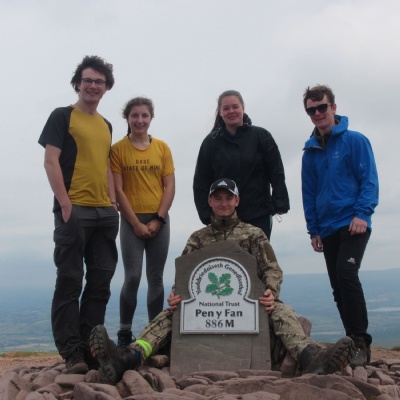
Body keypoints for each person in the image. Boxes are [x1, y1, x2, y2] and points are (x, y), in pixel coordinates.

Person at [87, 179, 356, 385]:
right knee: (171, 314)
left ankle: (312, 357)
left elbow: (272, 269)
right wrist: (176, 294)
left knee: (282, 312)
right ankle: (128, 357)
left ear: (237, 201)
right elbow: (184, 275)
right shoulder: (198, 238)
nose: (223, 203)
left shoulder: (254, 234)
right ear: (210, 201)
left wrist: (271, 292)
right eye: (218, 198)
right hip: (205, 307)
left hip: (248, 305)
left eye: (228, 198)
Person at [38, 56, 119, 374]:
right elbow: (51, 160)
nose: (93, 86)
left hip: (104, 213)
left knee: (100, 283)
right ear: (77, 83)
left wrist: (112, 201)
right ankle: (72, 353)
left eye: (100, 81)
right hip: (74, 210)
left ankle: (91, 349)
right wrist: (64, 203)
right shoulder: (62, 116)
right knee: (70, 281)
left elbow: (106, 165)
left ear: (106, 87)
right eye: (88, 80)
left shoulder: (106, 125)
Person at [301, 85, 379, 367]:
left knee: (346, 274)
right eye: (312, 110)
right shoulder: (309, 152)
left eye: (322, 107)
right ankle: (350, 342)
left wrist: (362, 214)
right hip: (327, 227)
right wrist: (314, 229)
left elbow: (369, 180)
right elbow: (309, 193)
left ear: (333, 107)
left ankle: (360, 342)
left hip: (354, 223)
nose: (317, 113)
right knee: (337, 284)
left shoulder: (355, 141)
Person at [110, 97, 175, 347]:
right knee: (133, 276)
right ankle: (124, 333)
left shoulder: (162, 148)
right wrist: (135, 223)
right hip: (131, 219)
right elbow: (118, 189)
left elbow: (169, 186)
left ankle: (153, 334)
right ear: (127, 119)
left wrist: (158, 218)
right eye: (134, 115)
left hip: (159, 219)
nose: (139, 120)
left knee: (156, 277)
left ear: (151, 118)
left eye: (144, 115)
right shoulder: (118, 149)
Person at [193, 90, 290, 239]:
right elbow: (201, 181)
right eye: (226, 108)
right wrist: (206, 215)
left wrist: (280, 202)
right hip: (223, 217)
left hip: (258, 214)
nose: (231, 111)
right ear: (220, 112)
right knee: (228, 255)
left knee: (258, 254)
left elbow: (276, 172)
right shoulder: (210, 142)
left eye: (235, 107)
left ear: (243, 108)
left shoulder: (261, 136)